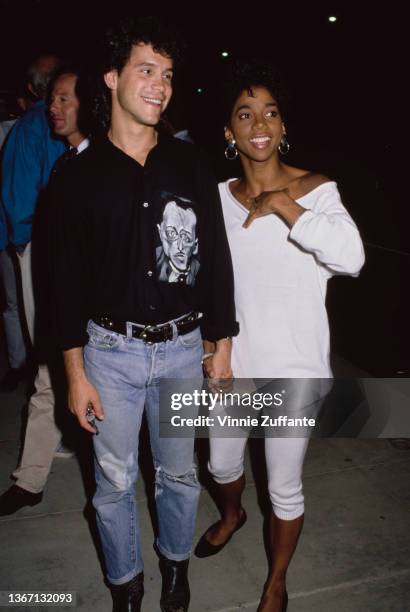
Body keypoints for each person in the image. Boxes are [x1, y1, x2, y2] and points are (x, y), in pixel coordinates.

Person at [50, 17, 237, 612]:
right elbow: (61, 286)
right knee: (113, 482)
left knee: (180, 476)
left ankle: (175, 566)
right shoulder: (76, 178)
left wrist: (221, 339)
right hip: (110, 353)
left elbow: (216, 258)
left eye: (168, 75)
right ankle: (125, 582)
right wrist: (74, 373)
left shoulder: (191, 165)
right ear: (111, 79)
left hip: (183, 349)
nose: (160, 86)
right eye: (146, 71)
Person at [194, 61, 365, 612]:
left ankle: (276, 583)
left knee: (283, 487)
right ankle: (231, 514)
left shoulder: (316, 189)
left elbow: (352, 258)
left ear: (283, 124)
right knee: (221, 466)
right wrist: (207, 344)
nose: (259, 123)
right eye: (245, 114)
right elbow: (203, 278)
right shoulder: (216, 197)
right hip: (232, 364)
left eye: (269, 112)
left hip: (295, 366)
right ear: (229, 131)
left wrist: (285, 206)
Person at [0, 66, 89, 516]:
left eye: (64, 98)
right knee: (50, 371)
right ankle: (31, 478)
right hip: (58, 278)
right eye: (50, 97)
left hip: (100, 299)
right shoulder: (64, 159)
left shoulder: (103, 159)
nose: (52, 107)